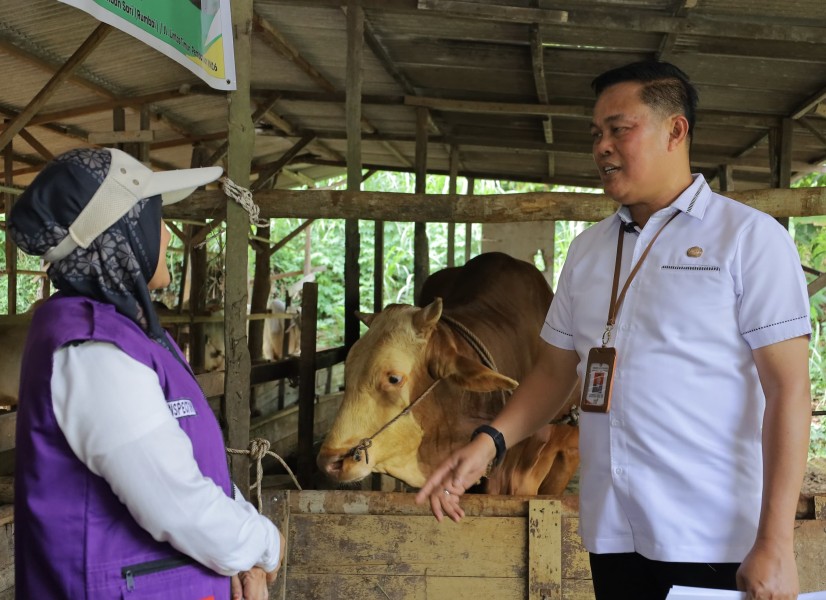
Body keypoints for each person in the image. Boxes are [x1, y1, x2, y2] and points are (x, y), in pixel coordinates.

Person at [416, 61, 812, 600]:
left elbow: (788, 391)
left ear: (676, 130)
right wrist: (490, 442)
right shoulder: (589, 250)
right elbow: (555, 370)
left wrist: (777, 542)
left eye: (619, 129)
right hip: (613, 529)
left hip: (714, 534)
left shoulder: (748, 239)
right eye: (595, 134)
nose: (602, 146)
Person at [8, 147, 285, 600]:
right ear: (122, 233)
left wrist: (241, 542)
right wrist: (265, 543)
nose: (167, 236)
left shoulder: (128, 333)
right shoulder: (94, 351)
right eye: (155, 218)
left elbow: (186, 461)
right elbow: (176, 504)